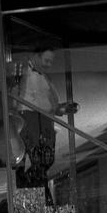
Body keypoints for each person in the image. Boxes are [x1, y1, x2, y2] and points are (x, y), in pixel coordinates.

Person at [17, 46, 77, 190]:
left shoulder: (44, 76)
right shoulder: (21, 72)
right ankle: (33, 196)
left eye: (51, 61)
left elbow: (52, 104)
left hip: (45, 121)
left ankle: (36, 195)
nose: (49, 64)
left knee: (46, 161)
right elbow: (13, 98)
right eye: (46, 60)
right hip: (29, 118)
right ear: (36, 56)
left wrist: (63, 108)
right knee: (36, 161)